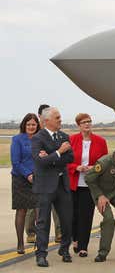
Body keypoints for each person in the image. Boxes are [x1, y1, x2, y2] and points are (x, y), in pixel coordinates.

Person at [31, 107, 74, 267]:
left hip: (62, 186)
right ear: (47, 120)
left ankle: (64, 249)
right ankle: (41, 254)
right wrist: (59, 152)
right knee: (43, 222)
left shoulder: (64, 136)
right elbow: (39, 161)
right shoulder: (38, 138)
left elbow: (70, 157)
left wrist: (51, 156)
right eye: (57, 118)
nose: (60, 120)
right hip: (45, 186)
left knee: (67, 220)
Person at [68, 113, 107, 257]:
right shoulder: (71, 140)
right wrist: (76, 167)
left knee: (86, 215)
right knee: (73, 215)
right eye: (84, 122)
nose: (87, 124)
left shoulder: (100, 141)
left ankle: (84, 246)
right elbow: (65, 161)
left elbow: (104, 162)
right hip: (73, 183)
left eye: (89, 121)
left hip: (90, 184)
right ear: (78, 125)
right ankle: (75, 239)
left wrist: (94, 168)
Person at [26, 104, 63, 244]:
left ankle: (59, 232)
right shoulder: (36, 133)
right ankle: (31, 232)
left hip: (52, 173)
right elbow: (36, 156)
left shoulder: (54, 132)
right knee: (33, 205)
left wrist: (50, 155)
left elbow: (57, 152)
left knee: (55, 206)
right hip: (36, 173)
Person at [10, 113, 40, 254]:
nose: (31, 127)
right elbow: (15, 162)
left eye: (33, 124)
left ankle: (41, 241)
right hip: (20, 179)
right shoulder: (17, 139)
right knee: (21, 210)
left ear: (37, 125)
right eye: (28, 124)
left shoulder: (41, 139)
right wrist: (28, 174)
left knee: (39, 209)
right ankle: (20, 243)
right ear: (24, 125)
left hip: (38, 178)